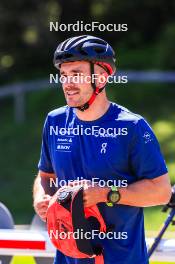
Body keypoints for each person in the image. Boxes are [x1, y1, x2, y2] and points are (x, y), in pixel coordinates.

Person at [33, 35, 171, 264]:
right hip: (67, 258)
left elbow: (161, 191)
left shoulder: (132, 127)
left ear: (102, 77)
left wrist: (106, 194)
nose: (67, 83)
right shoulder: (55, 122)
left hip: (122, 258)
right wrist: (42, 197)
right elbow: (45, 176)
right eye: (64, 75)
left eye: (76, 74)